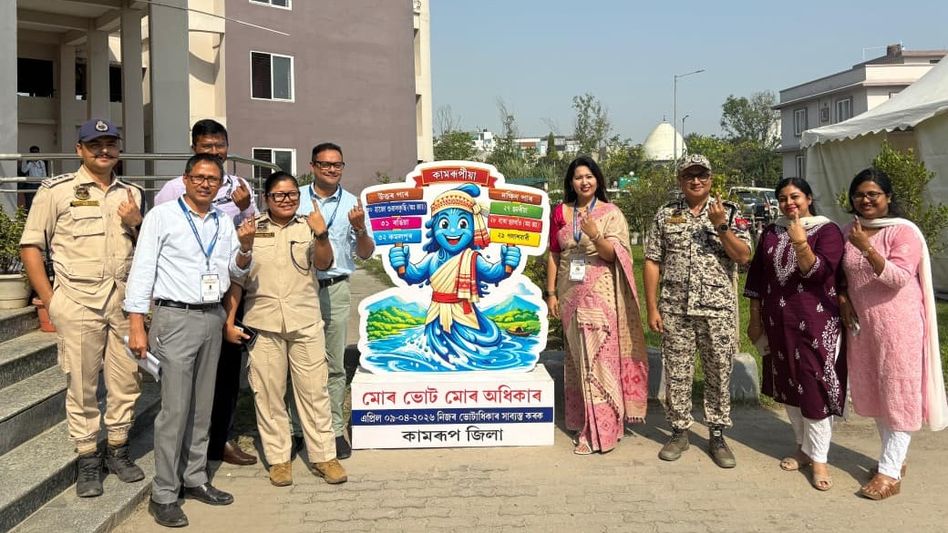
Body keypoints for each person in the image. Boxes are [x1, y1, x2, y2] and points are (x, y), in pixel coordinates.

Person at [124, 153, 254, 528]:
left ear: (220, 185)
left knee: (202, 407)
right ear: (185, 179)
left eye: (213, 179)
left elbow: (234, 270)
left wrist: (245, 249)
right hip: (175, 318)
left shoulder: (222, 221)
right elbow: (143, 269)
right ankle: (164, 492)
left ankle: (195, 477)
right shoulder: (162, 217)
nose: (205, 184)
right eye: (198, 177)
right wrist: (137, 323)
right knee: (175, 411)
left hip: (212, 316)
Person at [19, 119, 145, 498]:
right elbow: (31, 247)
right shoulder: (56, 192)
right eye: (95, 145)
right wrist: (52, 301)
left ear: (119, 149)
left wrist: (136, 223)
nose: (103, 151)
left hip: (123, 303)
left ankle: (118, 450)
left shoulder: (133, 193)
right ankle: (88, 457)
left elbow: (147, 249)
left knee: (126, 383)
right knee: (82, 384)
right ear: (79, 150)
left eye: (110, 144)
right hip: (77, 303)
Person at [227, 171, 347, 487]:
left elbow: (323, 264)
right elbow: (237, 279)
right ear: (266, 199)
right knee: (268, 394)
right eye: (279, 195)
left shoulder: (310, 226)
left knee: (314, 391)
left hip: (305, 322)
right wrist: (229, 320)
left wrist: (321, 236)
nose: (286, 200)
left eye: (292, 194)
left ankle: (324, 456)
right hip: (263, 323)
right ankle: (279, 459)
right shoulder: (251, 230)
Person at [154, 119, 259, 467]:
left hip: (228, 292)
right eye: (206, 146)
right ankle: (183, 450)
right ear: (194, 149)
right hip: (183, 298)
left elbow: (252, 235)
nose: (214, 152)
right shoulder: (173, 189)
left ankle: (221, 439)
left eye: (219, 146)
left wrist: (244, 207)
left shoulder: (240, 187)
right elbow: (155, 239)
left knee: (228, 371)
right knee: (184, 384)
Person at [838, 168, 948, 500]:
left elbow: (899, 277)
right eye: (859, 194)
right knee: (875, 391)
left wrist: (867, 248)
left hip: (898, 326)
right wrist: (843, 298)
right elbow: (840, 275)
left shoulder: (903, 232)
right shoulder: (848, 230)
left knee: (899, 395)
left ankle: (889, 472)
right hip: (864, 327)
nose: (866, 199)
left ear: (888, 198)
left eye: (873, 194)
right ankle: (893, 460)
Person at [643, 154, 751, 468]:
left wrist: (721, 228)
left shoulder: (729, 213)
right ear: (680, 180)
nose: (696, 181)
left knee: (718, 370)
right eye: (689, 176)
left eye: (701, 175)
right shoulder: (666, 215)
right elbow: (652, 260)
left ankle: (717, 434)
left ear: (710, 179)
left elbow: (743, 255)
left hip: (717, 310)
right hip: (676, 309)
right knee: (677, 372)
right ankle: (679, 431)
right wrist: (652, 307)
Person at [743, 177, 846, 491]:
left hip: (814, 323)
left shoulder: (827, 231)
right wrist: (755, 318)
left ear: (809, 198)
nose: (790, 203)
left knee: (813, 384)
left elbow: (818, 273)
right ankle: (803, 446)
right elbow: (757, 279)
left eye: (796, 196)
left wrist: (801, 242)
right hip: (778, 322)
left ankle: (820, 458)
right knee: (788, 382)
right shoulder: (772, 232)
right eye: (783, 198)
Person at [544, 156, 649, 455]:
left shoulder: (611, 213)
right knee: (579, 363)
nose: (584, 182)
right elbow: (554, 253)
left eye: (589, 176)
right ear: (571, 182)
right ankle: (585, 423)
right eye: (578, 177)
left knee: (599, 361)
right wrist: (550, 293)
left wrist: (595, 234)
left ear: (598, 180)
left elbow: (612, 254)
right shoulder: (561, 213)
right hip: (569, 295)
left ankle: (601, 430)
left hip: (600, 294)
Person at [293, 142, 373, 459]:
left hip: (336, 288)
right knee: (296, 361)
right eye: (324, 164)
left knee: (334, 363)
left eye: (337, 165)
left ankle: (335, 429)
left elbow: (365, 253)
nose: (331, 169)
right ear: (312, 166)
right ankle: (296, 430)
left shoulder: (354, 204)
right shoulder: (293, 198)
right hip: (299, 288)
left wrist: (360, 228)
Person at [19, 145, 47, 210]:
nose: (35, 154)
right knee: (29, 202)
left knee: (39, 201)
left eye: (36, 152)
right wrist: (30, 162)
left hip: (39, 184)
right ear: (30, 153)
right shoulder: (27, 161)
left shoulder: (41, 162)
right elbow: (24, 170)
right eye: (33, 152)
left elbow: (44, 174)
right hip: (29, 184)